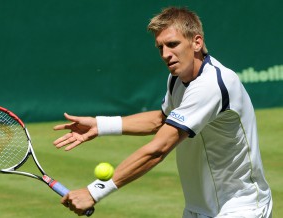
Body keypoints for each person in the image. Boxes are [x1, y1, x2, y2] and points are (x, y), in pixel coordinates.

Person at [53, 7, 272, 217]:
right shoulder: (178, 77)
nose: (166, 54)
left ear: (197, 42)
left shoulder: (211, 84)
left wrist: (94, 191)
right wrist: (101, 125)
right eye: (160, 47)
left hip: (241, 208)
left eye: (173, 44)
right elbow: (161, 119)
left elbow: (159, 149)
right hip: (200, 208)